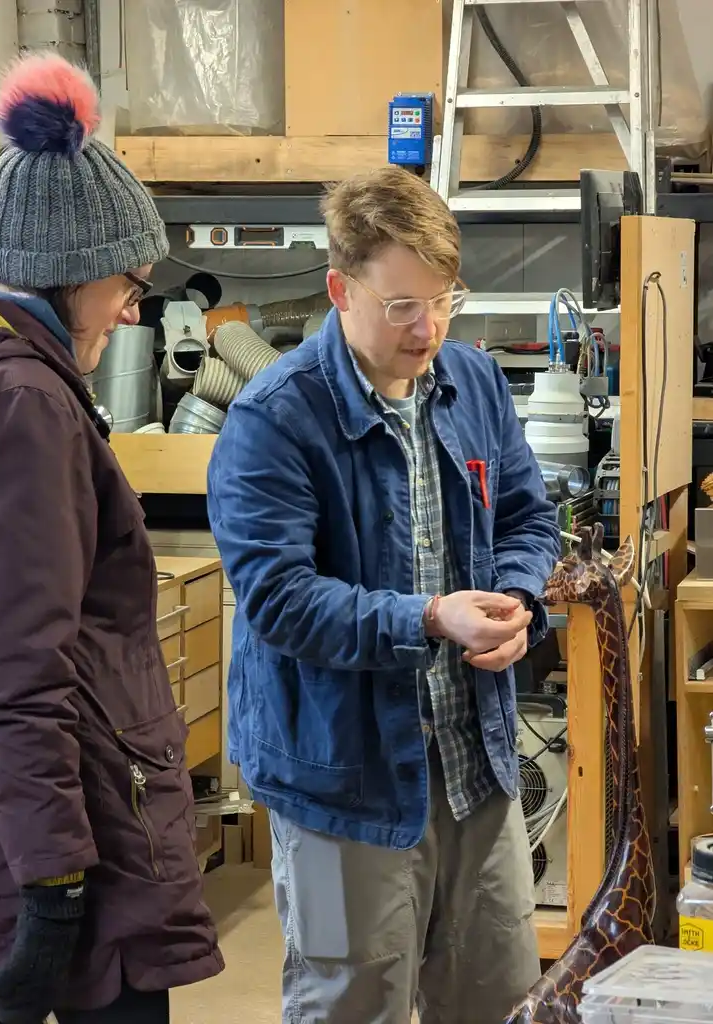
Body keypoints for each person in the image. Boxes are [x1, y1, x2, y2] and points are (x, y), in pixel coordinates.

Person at [208, 166, 560, 1024]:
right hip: (347, 781)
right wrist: (431, 617)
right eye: (402, 304)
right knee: (352, 1002)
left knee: (497, 997)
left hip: (475, 764)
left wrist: (516, 601)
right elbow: (281, 601)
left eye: (445, 300)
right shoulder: (274, 419)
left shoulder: (469, 382)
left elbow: (526, 518)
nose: (428, 327)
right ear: (339, 289)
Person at [0, 54, 223, 1024]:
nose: (133, 307)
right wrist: (55, 887)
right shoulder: (25, 407)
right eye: (127, 280)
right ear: (71, 272)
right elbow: (17, 670)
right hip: (58, 855)